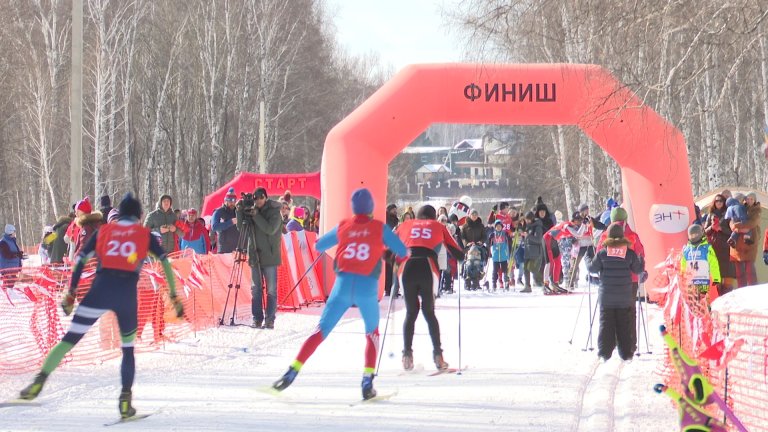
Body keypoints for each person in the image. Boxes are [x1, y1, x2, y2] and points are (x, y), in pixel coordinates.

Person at [17, 193, 183, 419]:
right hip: (126, 297)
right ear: (139, 215)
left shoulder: (104, 230)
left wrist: (71, 292)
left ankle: (38, 382)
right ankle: (125, 402)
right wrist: (173, 296)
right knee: (127, 350)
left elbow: (80, 260)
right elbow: (164, 261)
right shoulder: (144, 234)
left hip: (99, 292)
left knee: (68, 340)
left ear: (120, 214)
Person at [271, 188, 407, 400]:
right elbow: (403, 251)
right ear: (371, 207)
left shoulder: (345, 225)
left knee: (320, 331)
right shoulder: (379, 227)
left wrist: (347, 243)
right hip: (367, 287)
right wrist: (385, 253)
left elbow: (318, 245)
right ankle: (367, 381)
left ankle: (292, 371)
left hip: (342, 285)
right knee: (372, 333)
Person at [396, 205, 464, 371]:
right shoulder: (439, 226)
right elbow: (457, 251)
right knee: (429, 313)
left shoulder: (405, 225)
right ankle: (438, 356)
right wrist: (461, 256)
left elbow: (390, 249)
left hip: (407, 267)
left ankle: (407, 355)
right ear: (433, 217)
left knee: (411, 313)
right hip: (427, 267)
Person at [587, 223, 644, 362]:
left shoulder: (602, 253)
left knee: (606, 324)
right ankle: (626, 353)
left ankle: (604, 353)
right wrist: (641, 261)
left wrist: (587, 258)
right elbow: (637, 269)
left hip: (606, 296)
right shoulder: (629, 253)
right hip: (624, 296)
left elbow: (592, 269)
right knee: (624, 324)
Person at [237, 187, 282, 329]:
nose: (258, 200)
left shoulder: (274, 211)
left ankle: (270, 319)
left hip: (270, 256)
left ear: (266, 198)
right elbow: (241, 228)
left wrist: (256, 215)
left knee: (271, 290)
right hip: (255, 256)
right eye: (256, 198)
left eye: (261, 197)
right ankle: (257, 318)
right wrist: (239, 211)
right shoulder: (252, 210)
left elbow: (270, 229)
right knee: (256, 289)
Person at [681, 224, 721, 305]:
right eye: (691, 235)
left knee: (704, 301)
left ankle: (706, 315)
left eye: (695, 234)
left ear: (700, 234)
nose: (693, 237)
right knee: (692, 303)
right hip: (691, 282)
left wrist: (716, 278)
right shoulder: (687, 250)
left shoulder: (706, 248)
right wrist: (682, 276)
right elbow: (683, 264)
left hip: (703, 280)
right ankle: (694, 316)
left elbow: (714, 264)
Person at [704, 194, 734, 295]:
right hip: (713, 247)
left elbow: (732, 232)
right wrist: (712, 228)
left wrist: (721, 229)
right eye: (717, 201)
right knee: (715, 272)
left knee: (726, 273)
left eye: (721, 201)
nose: (719, 203)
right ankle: (717, 294)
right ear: (714, 202)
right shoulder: (710, 215)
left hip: (725, 248)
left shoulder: (728, 214)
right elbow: (704, 232)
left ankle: (727, 295)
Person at [730, 192, 761, 288]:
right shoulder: (739, 208)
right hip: (738, 243)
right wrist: (735, 227)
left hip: (749, 243)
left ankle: (753, 289)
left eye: (752, 199)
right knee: (739, 271)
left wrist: (737, 226)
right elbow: (731, 222)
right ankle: (741, 290)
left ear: (755, 200)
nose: (749, 201)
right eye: (748, 199)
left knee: (749, 269)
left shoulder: (757, 211)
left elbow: (752, 223)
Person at [521, 211, 544, 293]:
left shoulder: (538, 227)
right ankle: (527, 286)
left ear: (532, 219)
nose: (527, 221)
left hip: (535, 251)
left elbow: (538, 240)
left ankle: (543, 282)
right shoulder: (528, 226)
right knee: (525, 269)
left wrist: (528, 236)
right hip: (527, 250)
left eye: (528, 220)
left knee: (532, 268)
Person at [212, 188, 240, 254]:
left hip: (237, 249)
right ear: (225, 200)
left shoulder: (238, 212)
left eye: (234, 200)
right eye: (230, 200)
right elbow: (214, 226)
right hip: (224, 250)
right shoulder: (219, 211)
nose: (232, 203)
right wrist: (230, 222)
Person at [488, 220, 513, 291]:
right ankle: (494, 284)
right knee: (495, 270)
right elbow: (489, 243)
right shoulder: (493, 234)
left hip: (503, 255)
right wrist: (489, 238)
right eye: (497, 226)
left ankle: (506, 282)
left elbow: (509, 241)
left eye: (500, 226)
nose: (498, 228)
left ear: (502, 227)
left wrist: (509, 236)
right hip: (495, 256)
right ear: (495, 227)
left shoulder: (504, 234)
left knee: (505, 270)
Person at [384, 203, 399, 297]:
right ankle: (388, 288)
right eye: (393, 209)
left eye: (395, 210)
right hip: (386, 247)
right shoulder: (386, 219)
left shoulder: (396, 220)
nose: (395, 211)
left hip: (394, 247)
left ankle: (393, 289)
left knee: (394, 269)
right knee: (387, 270)